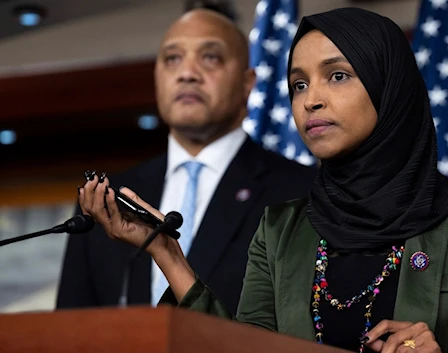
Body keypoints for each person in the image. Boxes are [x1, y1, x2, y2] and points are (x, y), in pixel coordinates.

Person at [79, 7, 448, 353]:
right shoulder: (282, 228)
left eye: (337, 76)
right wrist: (167, 254)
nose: (310, 100)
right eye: (299, 84)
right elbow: (244, 349)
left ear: (386, 85)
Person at [57, 9, 316, 313]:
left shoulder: (303, 191)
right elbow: (72, 323)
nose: (187, 73)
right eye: (172, 59)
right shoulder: (107, 196)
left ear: (248, 83)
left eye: (210, 58)